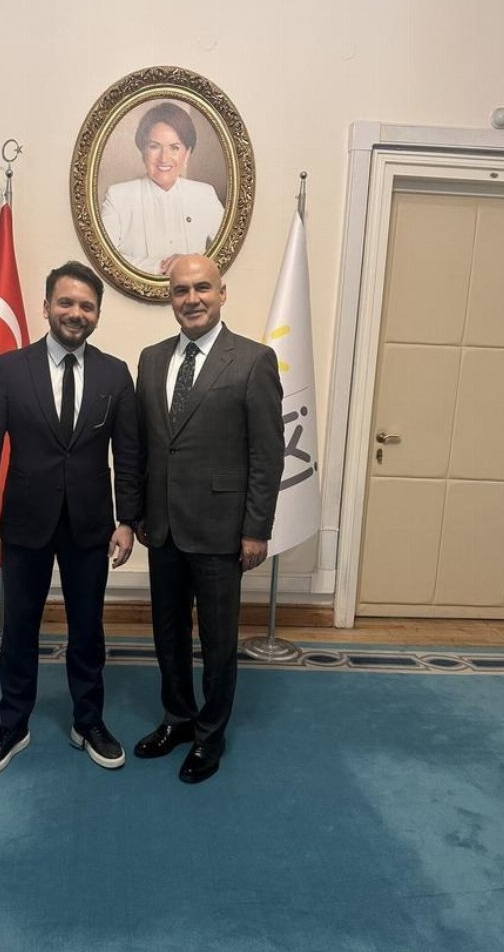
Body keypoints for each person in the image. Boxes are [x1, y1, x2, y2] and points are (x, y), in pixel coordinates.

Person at [0, 260, 141, 777]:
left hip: (90, 524)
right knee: (19, 627)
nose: (75, 312)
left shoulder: (115, 373)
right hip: (24, 523)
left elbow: (128, 455)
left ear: (97, 315)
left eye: (86, 305)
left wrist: (127, 520)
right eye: (66, 302)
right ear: (46, 307)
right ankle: (12, 725)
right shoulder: (8, 369)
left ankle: (89, 721)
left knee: (87, 629)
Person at [134, 254, 284, 784]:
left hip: (222, 529)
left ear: (222, 294)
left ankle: (209, 735)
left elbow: (267, 454)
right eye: (180, 290)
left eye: (202, 288)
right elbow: (145, 445)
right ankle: (177, 718)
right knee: (168, 632)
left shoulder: (254, 360)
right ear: (169, 298)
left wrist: (256, 529)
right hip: (163, 527)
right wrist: (136, 512)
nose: (191, 298)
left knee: (218, 643)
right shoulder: (151, 359)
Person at [101, 102, 225, 276]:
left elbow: (227, 251)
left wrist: (189, 264)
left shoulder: (204, 195)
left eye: (174, 147)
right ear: (142, 151)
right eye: (154, 146)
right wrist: (160, 267)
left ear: (187, 154)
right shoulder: (118, 196)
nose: (164, 158)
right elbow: (104, 259)